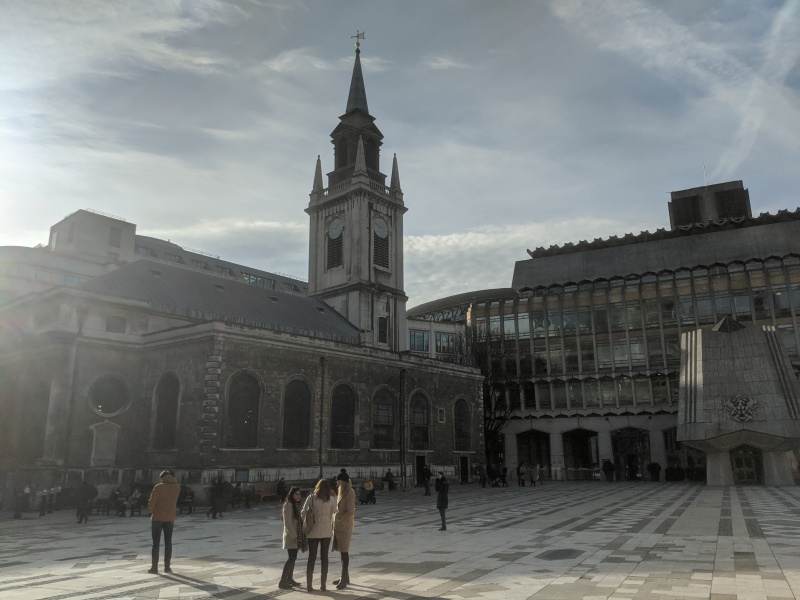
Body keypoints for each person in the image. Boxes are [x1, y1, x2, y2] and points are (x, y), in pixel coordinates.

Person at [301, 478, 337, 592]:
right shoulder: (331, 499)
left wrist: (303, 524)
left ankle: (309, 584)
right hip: (326, 531)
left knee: (312, 558)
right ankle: (323, 584)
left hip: (313, 531)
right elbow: (335, 511)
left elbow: (303, 511)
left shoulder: (311, 498)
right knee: (324, 558)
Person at [147, 470, 181, 574]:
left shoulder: (158, 487)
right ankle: (167, 567)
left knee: (155, 544)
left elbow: (152, 501)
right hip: (170, 518)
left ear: (162, 478)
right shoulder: (176, 487)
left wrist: (150, 511)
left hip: (157, 517)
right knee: (168, 543)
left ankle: (154, 567)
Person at [332, 470, 355, 589]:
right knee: (342, 552)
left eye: (339, 482)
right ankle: (345, 576)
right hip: (339, 526)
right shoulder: (341, 492)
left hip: (344, 527)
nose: (337, 484)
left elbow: (350, 511)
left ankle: (344, 578)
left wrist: (340, 521)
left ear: (344, 482)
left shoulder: (350, 493)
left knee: (344, 552)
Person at [278, 487, 305, 589]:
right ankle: (282, 581)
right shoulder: (289, 505)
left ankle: (289, 578)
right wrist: (294, 536)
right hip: (291, 536)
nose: (298, 496)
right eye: (296, 494)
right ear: (291, 495)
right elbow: (287, 523)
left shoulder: (296, 505)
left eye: (299, 494)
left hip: (297, 535)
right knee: (291, 558)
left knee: (293, 558)